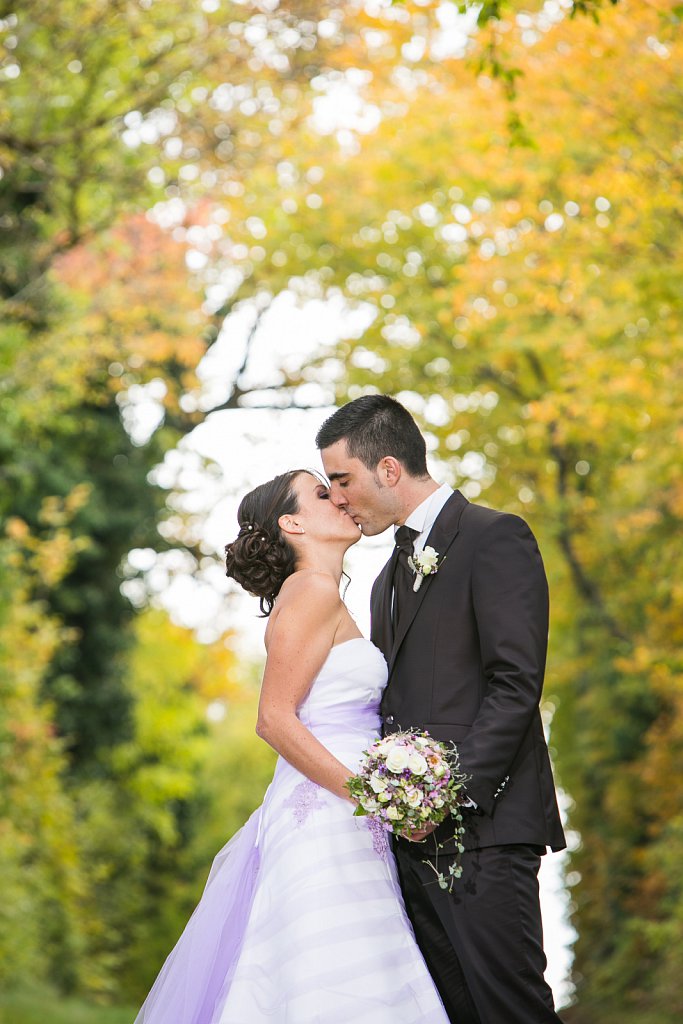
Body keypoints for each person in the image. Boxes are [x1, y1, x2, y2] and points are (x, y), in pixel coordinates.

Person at [135, 468, 449, 1023]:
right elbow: (274, 720)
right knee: (337, 976)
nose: (343, 500)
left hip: (342, 811)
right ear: (293, 522)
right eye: (324, 494)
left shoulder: (317, 594)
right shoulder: (311, 591)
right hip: (328, 813)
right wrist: (374, 796)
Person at [317, 395, 567, 1024]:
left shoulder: (493, 536)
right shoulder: (383, 579)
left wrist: (449, 796)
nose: (337, 498)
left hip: (487, 827)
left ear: (390, 469)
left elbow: (515, 683)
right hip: (409, 839)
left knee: (512, 1010)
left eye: (342, 480)